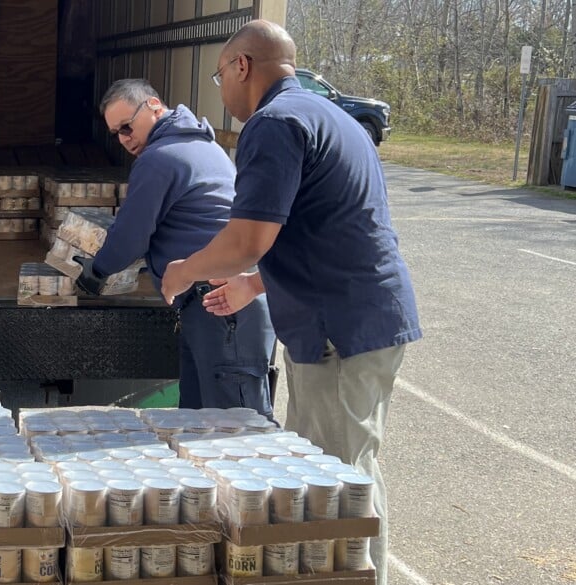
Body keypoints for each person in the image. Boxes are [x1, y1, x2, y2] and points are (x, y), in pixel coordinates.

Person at [160, 20, 422, 585]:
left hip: (343, 332)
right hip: (357, 318)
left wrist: (185, 270)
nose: (221, 89)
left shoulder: (273, 124)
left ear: (242, 67)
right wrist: (255, 285)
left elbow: (248, 238)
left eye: (219, 74)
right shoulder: (329, 116)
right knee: (333, 468)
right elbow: (321, 227)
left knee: (338, 478)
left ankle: (355, 575)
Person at [75, 79, 277, 418]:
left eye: (127, 126)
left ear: (154, 105)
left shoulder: (161, 158)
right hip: (212, 304)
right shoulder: (201, 146)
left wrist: (98, 271)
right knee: (199, 424)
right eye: (116, 133)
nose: (124, 139)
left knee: (238, 432)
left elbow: (131, 235)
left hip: (223, 304)